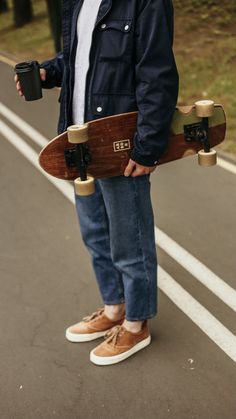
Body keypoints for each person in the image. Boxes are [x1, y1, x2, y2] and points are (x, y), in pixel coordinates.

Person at [15, 0, 179, 366]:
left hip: (118, 140)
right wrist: (48, 72)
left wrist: (147, 148)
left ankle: (136, 325)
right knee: (96, 233)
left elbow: (158, 75)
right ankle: (115, 307)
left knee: (129, 237)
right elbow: (79, 58)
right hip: (77, 143)